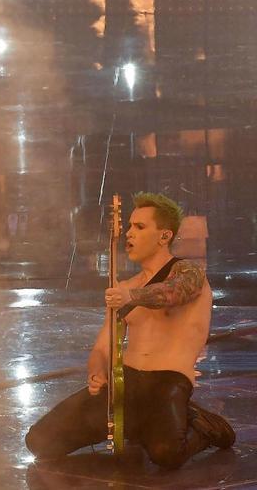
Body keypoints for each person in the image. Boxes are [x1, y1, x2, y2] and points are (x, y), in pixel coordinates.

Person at [25, 192, 234, 469]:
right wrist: (97, 371)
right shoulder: (125, 287)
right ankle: (138, 426)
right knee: (40, 442)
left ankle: (202, 424)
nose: (129, 234)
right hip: (126, 384)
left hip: (168, 381)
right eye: (129, 226)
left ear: (164, 236)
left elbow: (174, 292)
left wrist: (131, 298)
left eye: (140, 227)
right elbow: (103, 347)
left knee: (166, 454)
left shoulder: (189, 273)